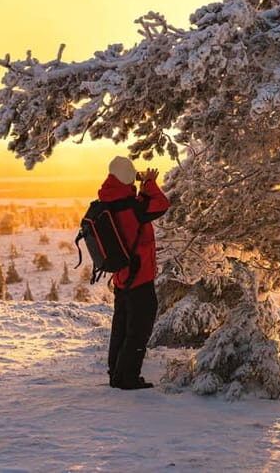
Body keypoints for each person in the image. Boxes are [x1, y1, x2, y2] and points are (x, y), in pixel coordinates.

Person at [99, 156, 170, 390]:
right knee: (138, 328)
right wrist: (149, 183)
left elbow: (136, 211)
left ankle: (116, 374)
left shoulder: (111, 199)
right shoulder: (131, 206)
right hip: (139, 276)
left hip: (122, 276)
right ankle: (128, 378)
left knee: (121, 326)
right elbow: (160, 204)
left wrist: (139, 186)